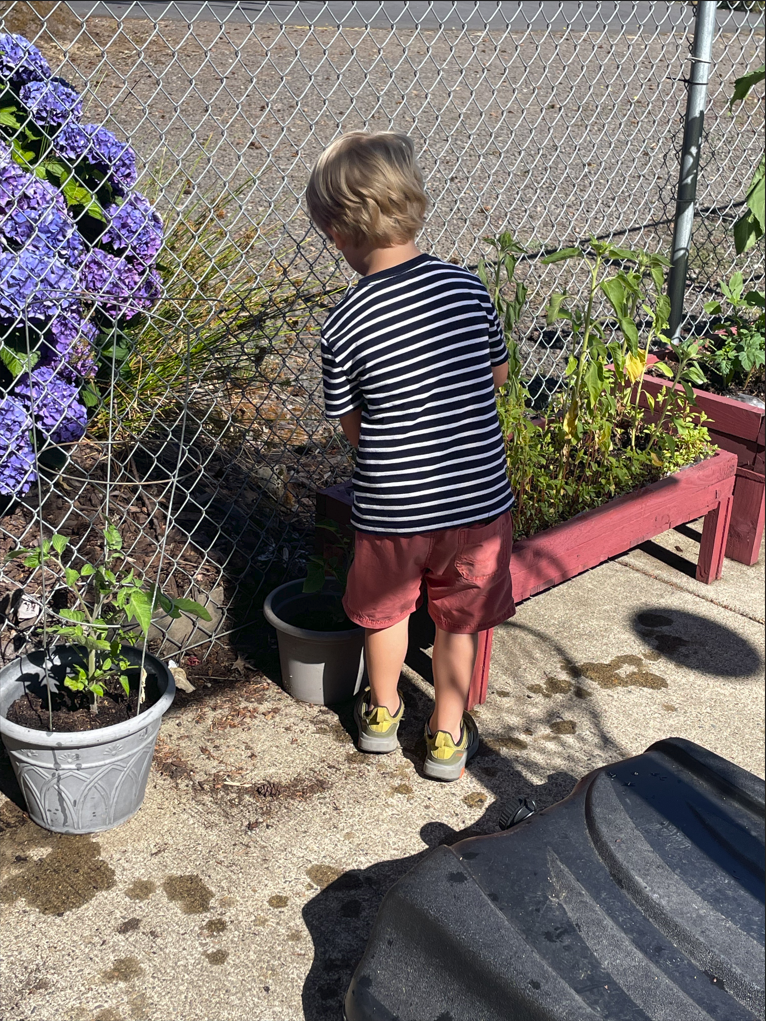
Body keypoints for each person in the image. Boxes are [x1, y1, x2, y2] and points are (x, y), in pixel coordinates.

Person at [306, 131, 515, 781]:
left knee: (387, 612)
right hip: (476, 503)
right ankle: (447, 735)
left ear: (337, 233)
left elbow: (353, 426)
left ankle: (382, 712)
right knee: (459, 622)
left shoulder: (343, 323)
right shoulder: (468, 288)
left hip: (394, 507)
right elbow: (498, 376)